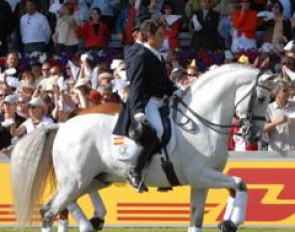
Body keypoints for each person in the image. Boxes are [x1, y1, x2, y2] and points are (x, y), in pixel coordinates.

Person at [113, 19, 175, 192]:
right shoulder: (141, 55)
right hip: (147, 102)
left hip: (160, 101)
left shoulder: (157, 55)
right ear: (149, 36)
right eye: (160, 35)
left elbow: (164, 82)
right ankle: (135, 170)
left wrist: (176, 90)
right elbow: (137, 86)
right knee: (159, 131)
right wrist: (138, 111)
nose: (164, 38)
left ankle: (162, 174)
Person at [263, 82, 295, 152]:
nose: (288, 93)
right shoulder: (268, 109)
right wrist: (276, 122)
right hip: (277, 151)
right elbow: (263, 129)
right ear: (276, 93)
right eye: (284, 91)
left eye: (288, 90)